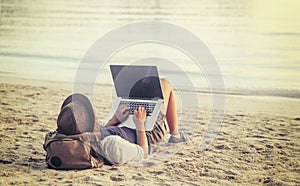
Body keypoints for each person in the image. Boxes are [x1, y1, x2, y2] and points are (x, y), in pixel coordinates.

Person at [56, 79, 190, 165]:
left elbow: (101, 132)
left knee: (147, 90)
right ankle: (175, 136)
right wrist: (140, 125)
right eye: (89, 113)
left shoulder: (85, 136)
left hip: (125, 124)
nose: (94, 113)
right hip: (146, 133)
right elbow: (143, 152)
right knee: (165, 85)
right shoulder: (112, 145)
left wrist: (115, 120)